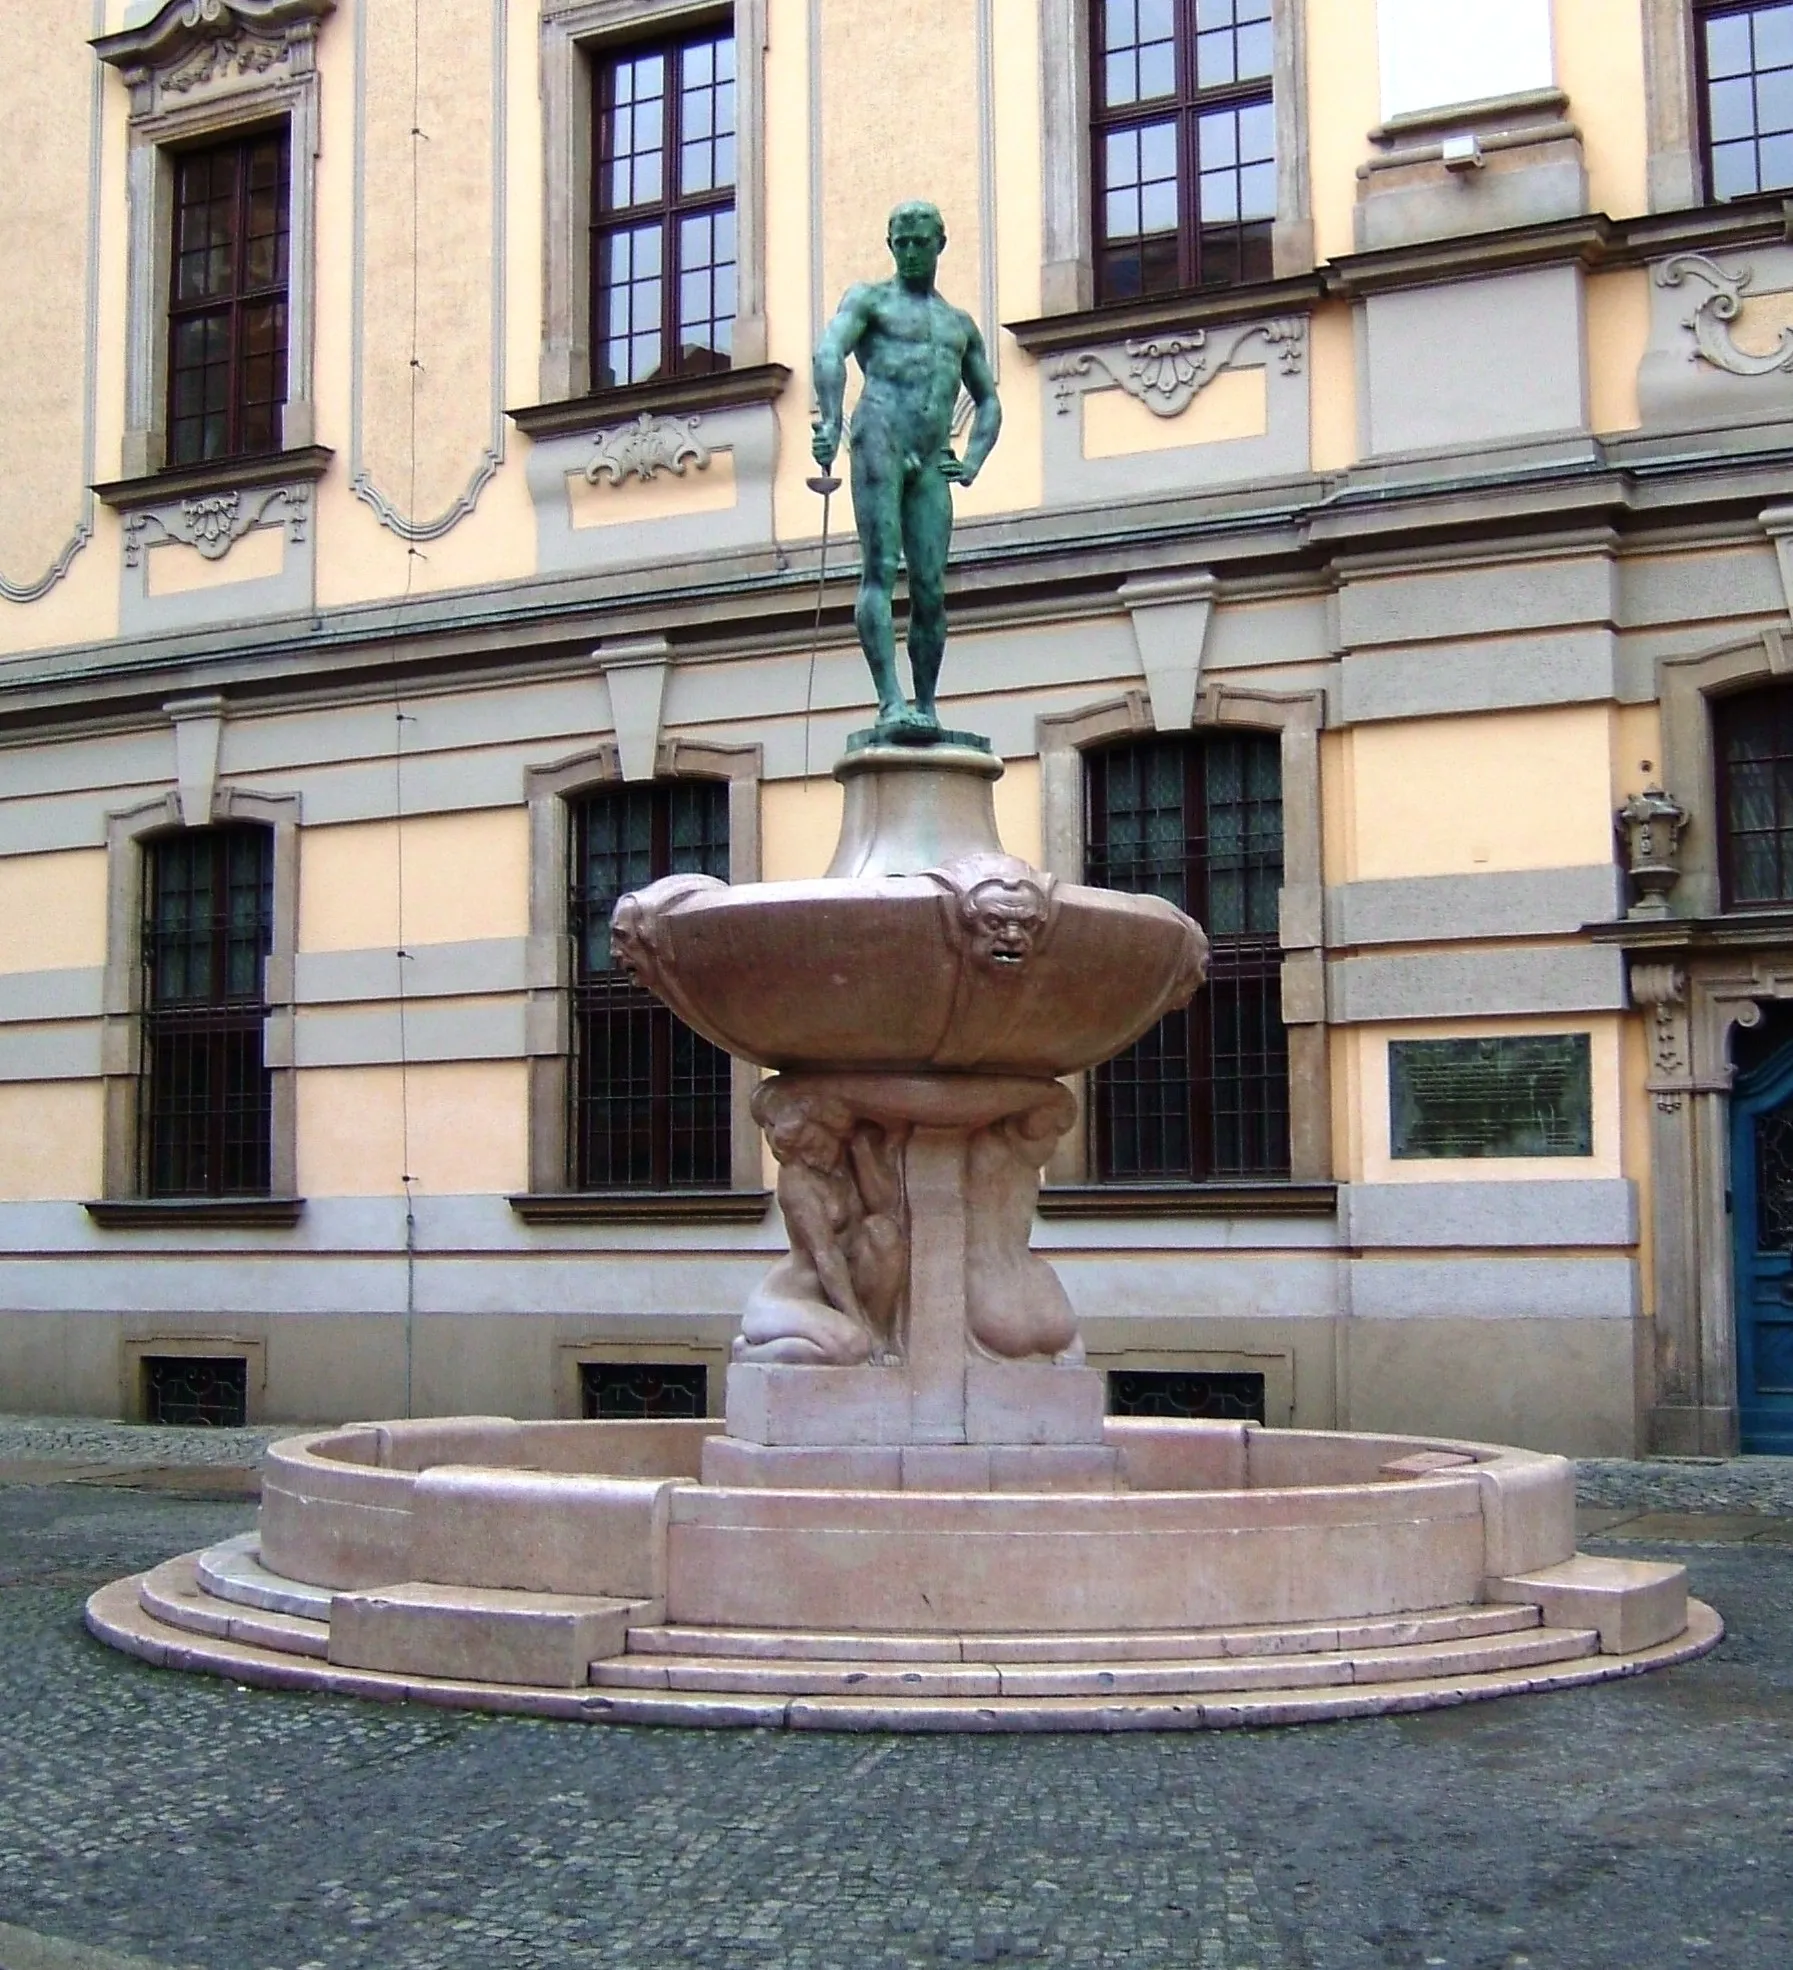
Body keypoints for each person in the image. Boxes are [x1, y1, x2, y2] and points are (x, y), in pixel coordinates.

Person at [811, 200, 1002, 743]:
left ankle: (925, 704)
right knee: (880, 569)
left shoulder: (958, 324)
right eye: (902, 242)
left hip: (932, 456)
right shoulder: (869, 301)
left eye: (921, 242)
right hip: (880, 437)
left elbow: (989, 400)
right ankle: (890, 700)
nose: (912, 252)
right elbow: (829, 352)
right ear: (890, 244)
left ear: (940, 244)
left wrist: (971, 461)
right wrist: (830, 419)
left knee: (931, 588)